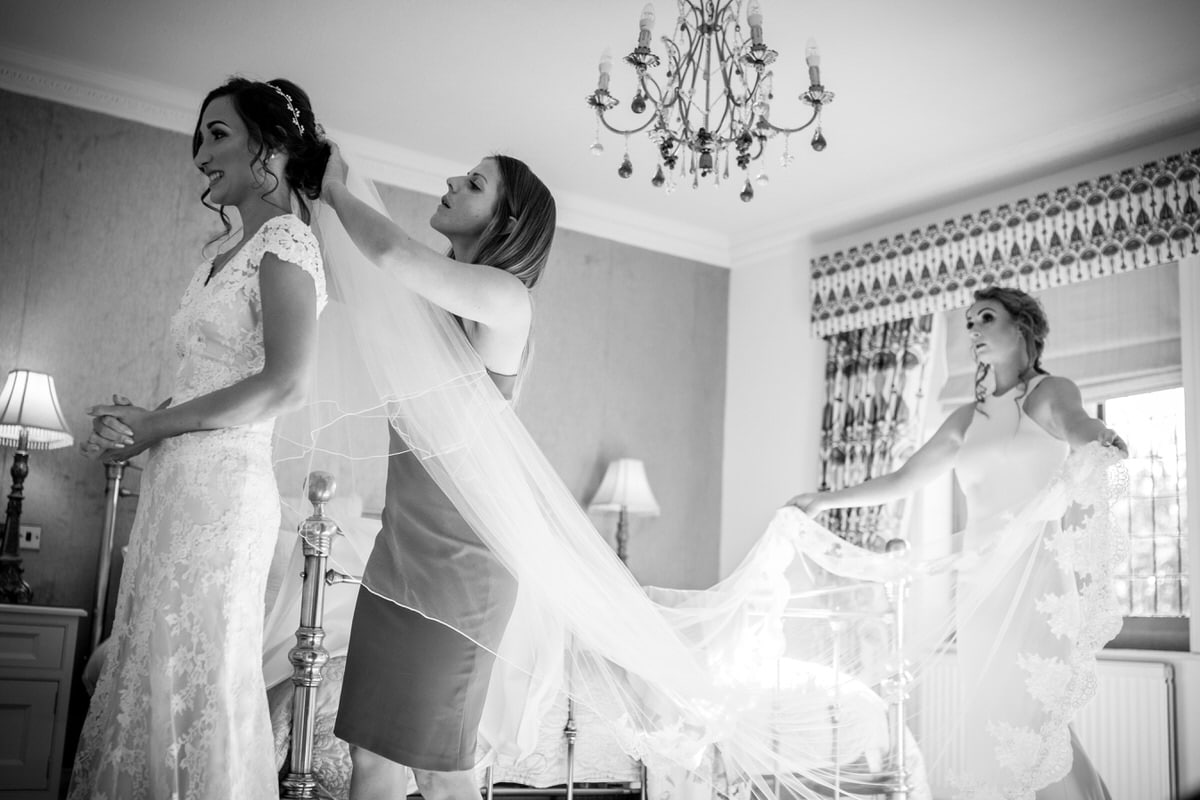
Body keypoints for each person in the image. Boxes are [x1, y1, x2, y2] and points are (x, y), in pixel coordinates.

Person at [69, 77, 329, 800]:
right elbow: (201, 384)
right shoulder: (219, 252)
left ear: (269, 146)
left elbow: (284, 383)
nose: (200, 154)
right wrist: (138, 426)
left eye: (218, 134)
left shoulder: (286, 239)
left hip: (223, 500)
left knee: (201, 677)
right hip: (173, 490)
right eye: (200, 137)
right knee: (149, 671)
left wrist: (158, 425)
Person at [788, 285, 1124, 799]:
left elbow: (1078, 427)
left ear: (1022, 329)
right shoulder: (969, 418)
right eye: (968, 322)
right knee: (1002, 725)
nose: (972, 329)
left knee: (1040, 724)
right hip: (980, 590)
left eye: (985, 318)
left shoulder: (1051, 393)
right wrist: (823, 499)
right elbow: (904, 479)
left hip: (1036, 584)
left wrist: (1099, 437)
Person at [316, 143, 556, 800]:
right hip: (399, 553)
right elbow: (344, 274)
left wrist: (338, 189)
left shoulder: (508, 301)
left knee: (440, 768)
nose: (451, 181)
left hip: (463, 570)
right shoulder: (420, 308)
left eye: (474, 182)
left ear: (505, 222)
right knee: (370, 756)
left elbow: (389, 254)